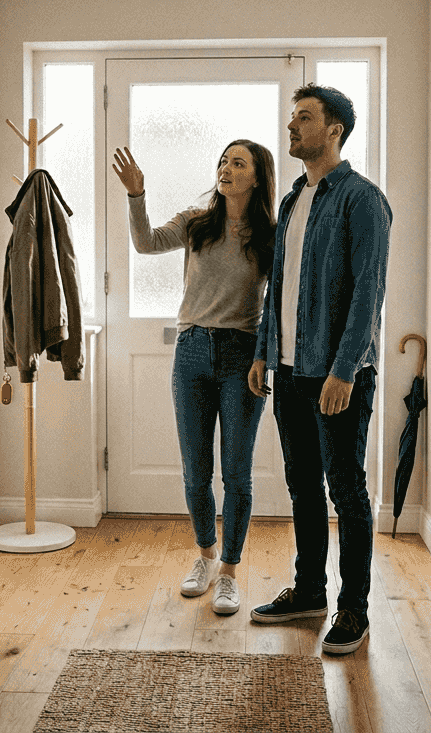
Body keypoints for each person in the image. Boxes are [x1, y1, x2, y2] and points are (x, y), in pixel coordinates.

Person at [247, 84, 392, 655]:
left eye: (303, 119)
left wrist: (345, 370)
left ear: (334, 130)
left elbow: (367, 294)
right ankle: (310, 591)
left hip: (337, 376)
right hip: (287, 370)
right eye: (292, 119)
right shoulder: (291, 201)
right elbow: (277, 288)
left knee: (347, 490)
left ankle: (353, 609)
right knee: (303, 486)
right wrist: (263, 351)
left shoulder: (362, 199)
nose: (291, 128)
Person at [112, 140, 277, 615]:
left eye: (238, 163)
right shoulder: (196, 222)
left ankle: (229, 571)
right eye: (223, 161)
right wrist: (136, 195)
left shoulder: (270, 234)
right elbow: (146, 244)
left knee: (238, 475)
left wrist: (264, 356)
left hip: (242, 356)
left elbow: (278, 302)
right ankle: (204, 556)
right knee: (195, 472)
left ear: (256, 177)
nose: (226, 169)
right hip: (191, 353)